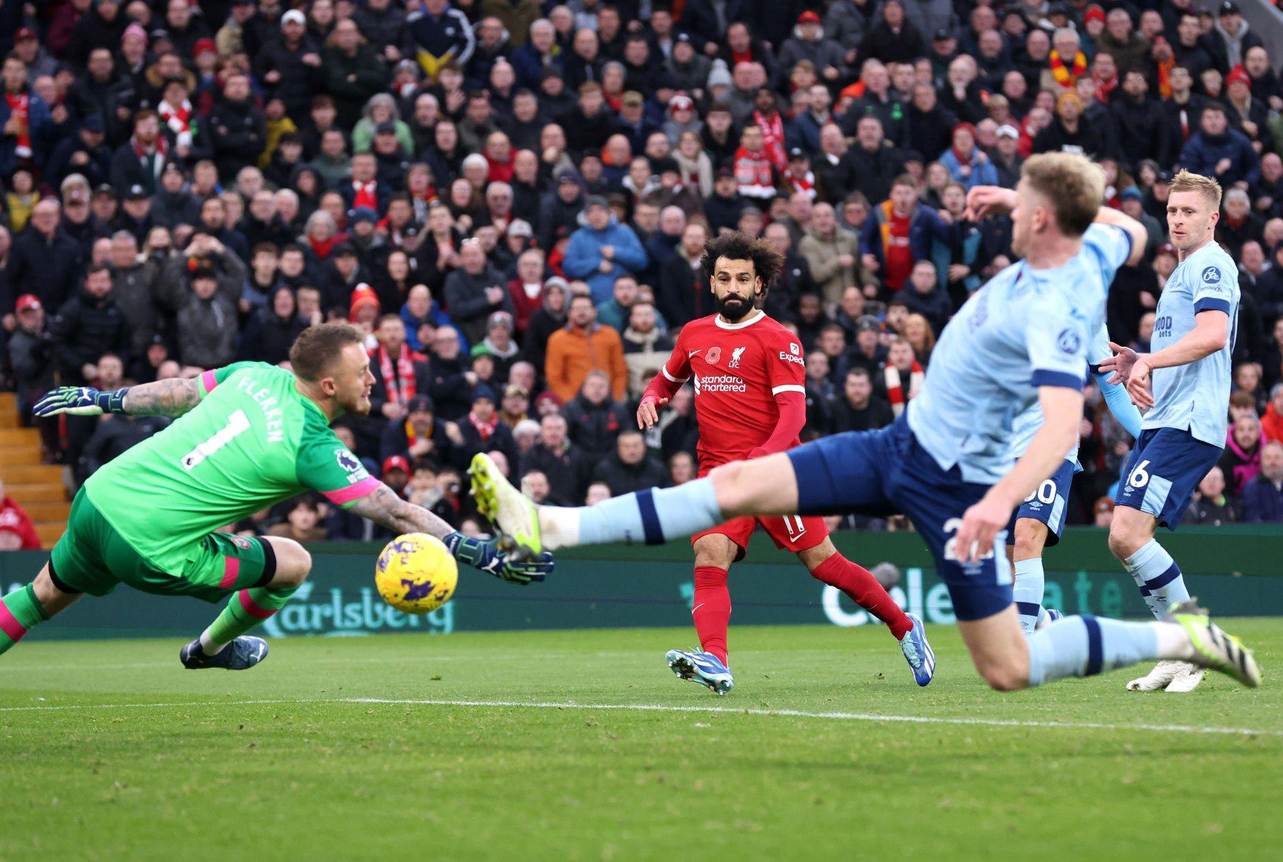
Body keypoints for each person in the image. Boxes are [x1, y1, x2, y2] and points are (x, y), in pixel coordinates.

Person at [470, 155, 1261, 698]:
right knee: (733, 484)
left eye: (1023, 207)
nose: (1007, 216)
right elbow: (1126, 225)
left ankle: (1176, 640)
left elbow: (1061, 426)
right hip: (896, 446)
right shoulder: (1099, 246)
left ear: (1046, 220)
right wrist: (1031, 198)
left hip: (956, 487)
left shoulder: (1059, 307)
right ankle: (549, 523)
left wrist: (999, 502)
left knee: (1008, 666)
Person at [0, 324, 551, 740]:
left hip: (101, 499)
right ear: (329, 384)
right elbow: (396, 511)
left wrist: (106, 399)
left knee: (43, 594)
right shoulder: (311, 443)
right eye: (362, 373)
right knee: (293, 562)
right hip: (151, 546)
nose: (373, 380)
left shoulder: (252, 374)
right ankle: (210, 648)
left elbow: (181, 390)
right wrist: (475, 551)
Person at [632, 234, 930, 694]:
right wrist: (652, 397)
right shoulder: (693, 334)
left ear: (760, 285)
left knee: (825, 564)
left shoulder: (779, 340)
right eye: (725, 278)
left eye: (743, 279)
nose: (733, 286)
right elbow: (667, 380)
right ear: (712, 283)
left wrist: (762, 458)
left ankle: (905, 627)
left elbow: (794, 415)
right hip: (719, 473)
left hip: (774, 473)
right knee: (709, 552)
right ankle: (715, 659)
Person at [1098, 171, 1242, 694]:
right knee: (1126, 539)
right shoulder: (1183, 270)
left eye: (1188, 212)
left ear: (1212, 218)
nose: (1177, 219)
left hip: (1188, 421)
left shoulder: (1210, 265)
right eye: (1172, 210)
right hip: (1164, 421)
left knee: (1126, 534)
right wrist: (1142, 358)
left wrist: (1150, 362)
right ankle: (1177, 648)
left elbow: (1212, 335)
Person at [1004, 323, 1142, 637]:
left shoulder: (1089, 315)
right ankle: (1043, 620)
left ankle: (1022, 648)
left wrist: (1150, 439)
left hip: (1052, 446)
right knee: (1004, 562)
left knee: (1027, 536)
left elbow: (1112, 389)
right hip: (1000, 450)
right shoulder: (1003, 301)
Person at [1242, 440, 1283, 522]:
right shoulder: (1252, 487)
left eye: (1277, 457)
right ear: (1261, 461)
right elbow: (1253, 519)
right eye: (1268, 458)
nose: (1272, 462)